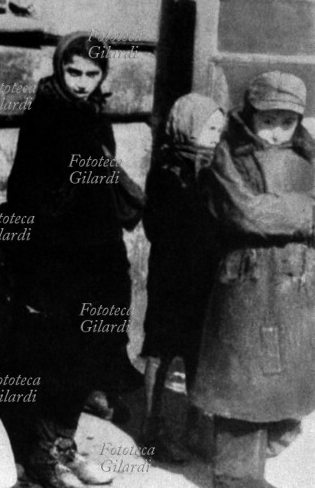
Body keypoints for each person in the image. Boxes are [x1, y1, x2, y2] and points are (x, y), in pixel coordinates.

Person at [5, 31, 143, 488]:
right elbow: (23, 194)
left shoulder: (95, 117)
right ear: (59, 68)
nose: (82, 82)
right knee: (55, 357)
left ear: (103, 75)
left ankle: (65, 444)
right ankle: (43, 456)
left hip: (99, 258)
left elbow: (102, 193)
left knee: (88, 356)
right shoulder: (43, 117)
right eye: (73, 71)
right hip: (55, 261)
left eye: (92, 73)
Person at [192, 71, 315, 488]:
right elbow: (246, 214)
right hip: (247, 284)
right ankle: (235, 477)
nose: (278, 132)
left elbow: (267, 212)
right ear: (249, 115)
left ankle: (267, 442)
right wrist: (306, 212)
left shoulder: (309, 156)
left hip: (295, 286)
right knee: (242, 387)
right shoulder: (229, 156)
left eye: (288, 122)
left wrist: (280, 212)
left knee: (287, 384)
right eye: (268, 121)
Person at [140, 93, 224, 462]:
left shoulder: (217, 168)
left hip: (204, 274)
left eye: (220, 128)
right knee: (161, 350)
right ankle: (153, 429)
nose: (216, 135)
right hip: (173, 276)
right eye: (210, 127)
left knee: (198, 353)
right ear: (187, 126)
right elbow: (159, 225)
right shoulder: (166, 169)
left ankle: (194, 428)